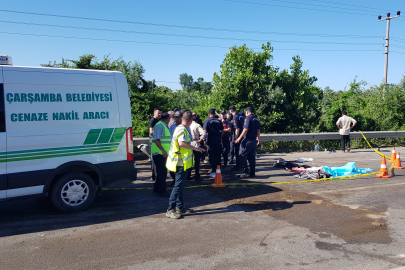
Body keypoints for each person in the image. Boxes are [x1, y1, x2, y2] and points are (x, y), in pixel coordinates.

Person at [166, 111, 205, 219]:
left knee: (181, 185)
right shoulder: (182, 129)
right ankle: (170, 209)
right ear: (191, 120)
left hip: (183, 162)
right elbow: (181, 143)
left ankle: (180, 207)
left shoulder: (184, 128)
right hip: (179, 162)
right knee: (178, 186)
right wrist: (196, 148)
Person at [235, 107, 260, 178]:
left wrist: (239, 138)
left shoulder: (248, 118)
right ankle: (252, 173)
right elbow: (258, 130)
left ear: (247, 112)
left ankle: (245, 171)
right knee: (251, 157)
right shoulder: (256, 119)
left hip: (248, 140)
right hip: (253, 141)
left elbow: (246, 129)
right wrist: (258, 138)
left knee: (241, 155)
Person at [151, 112, 171, 197]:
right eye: (169, 119)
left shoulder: (163, 126)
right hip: (159, 153)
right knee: (162, 172)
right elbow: (156, 140)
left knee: (161, 172)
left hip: (162, 153)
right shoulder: (159, 126)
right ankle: (162, 191)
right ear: (166, 119)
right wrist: (163, 150)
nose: (170, 120)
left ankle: (157, 188)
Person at [203, 109, 224, 178]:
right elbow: (222, 130)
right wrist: (221, 138)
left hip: (211, 139)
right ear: (214, 114)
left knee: (211, 154)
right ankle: (218, 168)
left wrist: (205, 139)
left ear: (209, 114)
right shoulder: (219, 120)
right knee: (217, 153)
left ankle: (213, 168)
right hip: (217, 138)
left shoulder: (208, 120)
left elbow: (205, 130)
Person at [188, 113, 206, 181]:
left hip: (189, 143)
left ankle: (188, 175)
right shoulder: (197, 125)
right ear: (198, 120)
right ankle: (197, 175)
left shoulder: (188, 125)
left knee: (189, 160)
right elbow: (204, 133)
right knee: (197, 161)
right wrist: (201, 139)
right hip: (196, 143)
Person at [149, 107, 162, 181]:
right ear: (154, 113)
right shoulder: (152, 120)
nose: (160, 114)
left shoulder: (159, 120)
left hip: (158, 141)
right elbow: (151, 131)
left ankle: (156, 175)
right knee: (154, 159)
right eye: (158, 113)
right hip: (153, 142)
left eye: (160, 113)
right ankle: (153, 175)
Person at [229, 105, 243, 171]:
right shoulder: (240, 116)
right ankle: (240, 164)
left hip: (238, 136)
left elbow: (237, 128)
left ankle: (238, 165)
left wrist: (236, 138)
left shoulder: (235, 117)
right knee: (239, 151)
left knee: (237, 151)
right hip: (242, 136)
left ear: (231, 110)